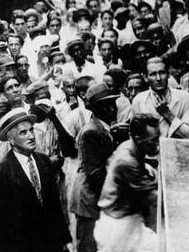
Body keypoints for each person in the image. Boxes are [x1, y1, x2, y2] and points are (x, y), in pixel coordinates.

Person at [0, 108, 72, 252]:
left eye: (31, 130)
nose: (31, 136)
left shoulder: (43, 161)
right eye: (23, 132)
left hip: (50, 244)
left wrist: (66, 239)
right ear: (11, 139)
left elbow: (54, 205)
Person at [93, 114, 160, 252]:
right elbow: (153, 197)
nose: (158, 144)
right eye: (153, 140)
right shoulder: (127, 161)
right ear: (138, 139)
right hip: (117, 229)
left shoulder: (128, 145)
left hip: (129, 222)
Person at [70, 83, 118, 252]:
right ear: (96, 109)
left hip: (94, 196)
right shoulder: (91, 131)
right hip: (89, 197)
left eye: (112, 104)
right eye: (106, 105)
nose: (112, 109)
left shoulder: (103, 127)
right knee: (89, 244)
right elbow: (95, 174)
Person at [131, 57, 189, 138]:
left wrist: (169, 115)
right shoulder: (139, 100)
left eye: (162, 73)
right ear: (145, 77)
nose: (158, 78)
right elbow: (135, 136)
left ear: (168, 74)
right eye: (153, 74)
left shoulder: (183, 97)